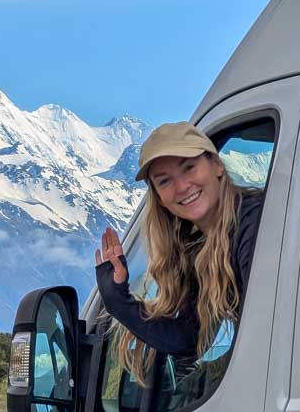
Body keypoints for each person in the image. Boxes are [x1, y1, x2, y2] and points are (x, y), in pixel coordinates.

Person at [94, 121, 263, 384]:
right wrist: (117, 300)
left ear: (217, 165)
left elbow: (266, 332)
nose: (182, 186)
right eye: (165, 181)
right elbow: (188, 339)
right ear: (159, 197)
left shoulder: (257, 223)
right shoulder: (203, 248)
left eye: (189, 167)